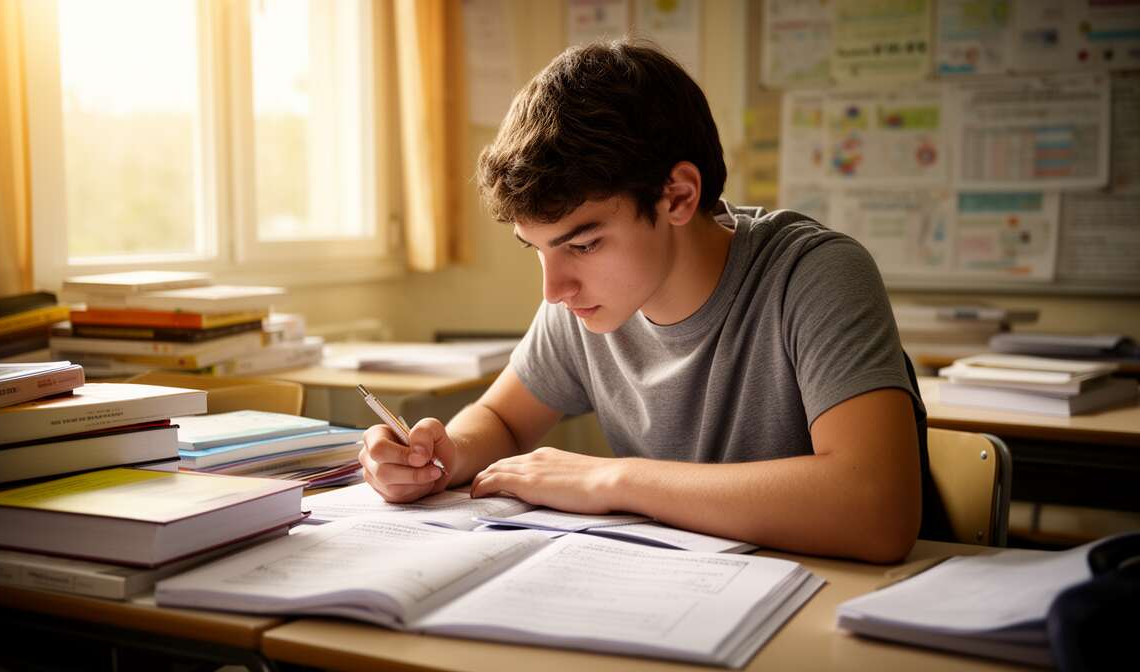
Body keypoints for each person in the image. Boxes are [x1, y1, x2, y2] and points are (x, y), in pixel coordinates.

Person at [359, 40, 934, 563]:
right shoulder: (583, 303)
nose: (553, 289)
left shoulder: (815, 276)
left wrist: (613, 481)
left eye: (583, 244)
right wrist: (442, 457)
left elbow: (877, 512)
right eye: (535, 250)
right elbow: (503, 420)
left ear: (677, 196)